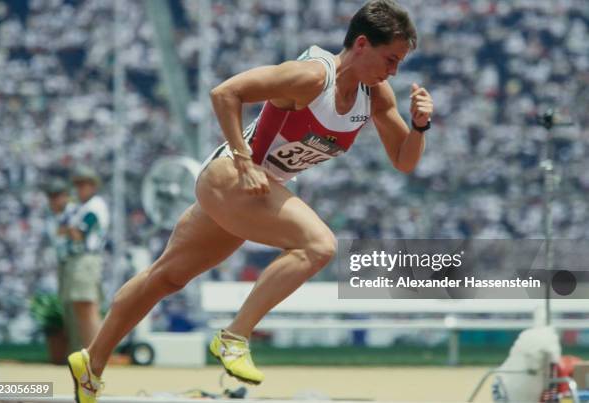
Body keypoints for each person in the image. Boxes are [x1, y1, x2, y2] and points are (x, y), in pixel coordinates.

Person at [68, 1, 433, 401]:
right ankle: (234, 336)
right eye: (390, 59)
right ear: (361, 44)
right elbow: (226, 93)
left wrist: (419, 125)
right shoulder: (311, 76)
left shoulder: (376, 96)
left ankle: (92, 362)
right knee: (319, 245)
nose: (394, 71)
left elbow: (404, 160)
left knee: (166, 276)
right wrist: (245, 162)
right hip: (233, 177)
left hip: (254, 190)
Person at [61, 166, 110, 357]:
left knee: (88, 307)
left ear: (92, 186)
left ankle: (96, 353)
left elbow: (77, 234)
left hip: (86, 259)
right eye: (77, 185)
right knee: (81, 308)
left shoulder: (94, 206)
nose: (79, 189)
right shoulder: (81, 207)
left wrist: (68, 227)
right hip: (80, 259)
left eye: (83, 185)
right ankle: (89, 352)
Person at [42, 177, 77, 359]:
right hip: (65, 262)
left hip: (76, 261)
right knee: (68, 307)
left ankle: (82, 353)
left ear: (66, 196)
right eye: (51, 196)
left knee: (79, 307)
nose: (54, 200)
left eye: (57, 196)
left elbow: (74, 234)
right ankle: (73, 352)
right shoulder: (53, 215)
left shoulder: (72, 211)